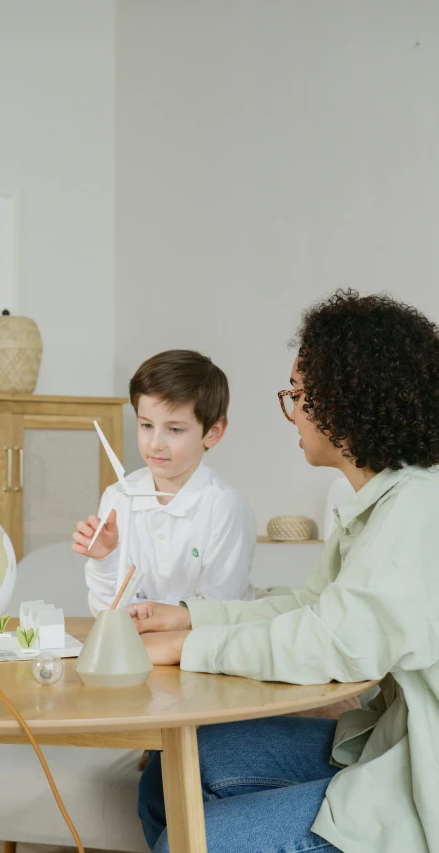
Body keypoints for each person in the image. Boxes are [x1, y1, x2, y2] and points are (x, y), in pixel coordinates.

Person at [130, 291, 439, 853]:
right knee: (174, 765)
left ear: (343, 404)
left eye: (297, 395)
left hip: (420, 784)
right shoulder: (381, 502)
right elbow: (311, 607)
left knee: (190, 841)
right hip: (385, 746)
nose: (292, 411)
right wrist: (188, 618)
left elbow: (335, 642)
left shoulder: (417, 509)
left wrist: (190, 649)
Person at [73, 349, 255, 613]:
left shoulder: (225, 506)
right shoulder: (117, 497)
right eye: (146, 425)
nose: (155, 444)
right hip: (137, 645)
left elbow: (219, 612)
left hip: (204, 649)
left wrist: (144, 611)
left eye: (175, 429)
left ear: (213, 432)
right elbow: (106, 611)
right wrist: (105, 559)